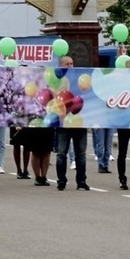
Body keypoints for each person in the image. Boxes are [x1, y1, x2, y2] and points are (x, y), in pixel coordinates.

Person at [53, 54, 88, 191]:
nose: (70, 66)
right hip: (63, 123)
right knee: (62, 153)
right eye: (67, 64)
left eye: (72, 63)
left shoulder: (80, 79)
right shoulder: (58, 81)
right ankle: (61, 180)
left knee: (81, 153)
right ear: (61, 66)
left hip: (79, 121)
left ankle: (81, 181)